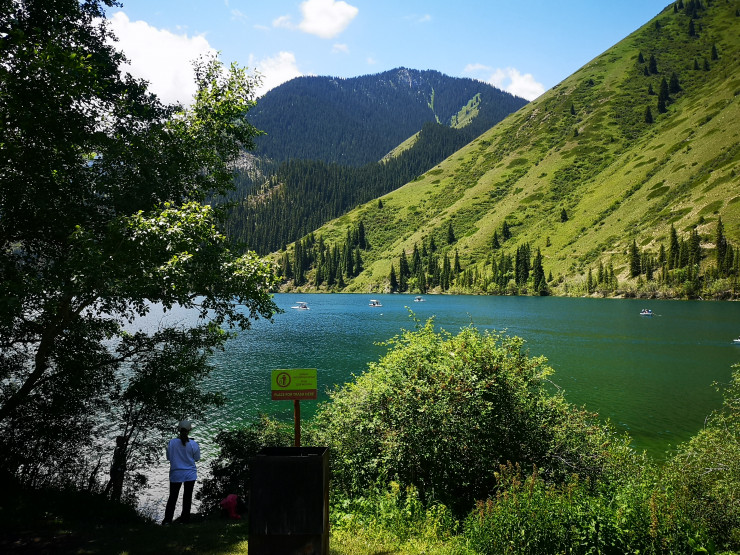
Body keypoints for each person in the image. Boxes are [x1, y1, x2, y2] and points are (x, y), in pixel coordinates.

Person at [162, 419, 200, 525]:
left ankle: (167, 520)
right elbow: (197, 458)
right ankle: (184, 520)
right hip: (190, 474)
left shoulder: (172, 443)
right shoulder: (193, 444)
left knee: (173, 497)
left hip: (176, 473)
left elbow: (169, 457)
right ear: (189, 430)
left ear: (178, 430)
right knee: (187, 498)